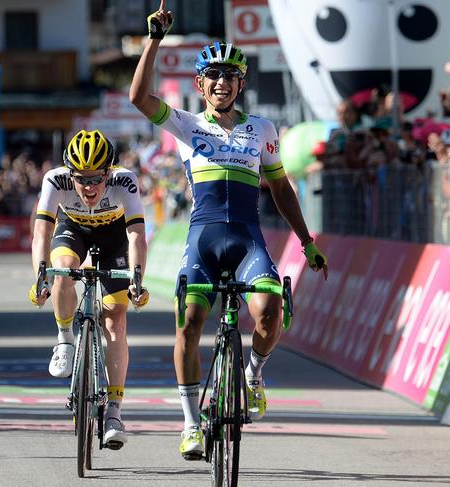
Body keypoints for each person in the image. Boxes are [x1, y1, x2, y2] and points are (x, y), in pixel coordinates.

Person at [129, 0, 328, 460]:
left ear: (241, 83)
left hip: (247, 239)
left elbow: (281, 189)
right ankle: (190, 424)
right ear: (200, 84)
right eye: (212, 76)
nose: (221, 83)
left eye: (230, 76)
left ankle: (254, 372)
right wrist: (154, 39)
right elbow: (139, 98)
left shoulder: (262, 129)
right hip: (202, 240)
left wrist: (307, 242)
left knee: (270, 310)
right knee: (190, 324)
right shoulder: (186, 124)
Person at [29, 129, 150, 449]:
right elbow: (41, 232)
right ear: (70, 174)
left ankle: (114, 411)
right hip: (73, 231)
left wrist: (137, 280)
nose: (89, 187)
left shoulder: (125, 180)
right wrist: (40, 276)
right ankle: (65, 339)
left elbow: (137, 235)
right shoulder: (55, 180)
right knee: (63, 271)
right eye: (81, 179)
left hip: (115, 238)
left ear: (108, 172)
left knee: (116, 320)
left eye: (97, 179)